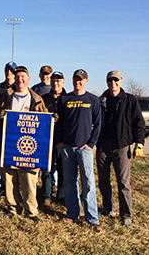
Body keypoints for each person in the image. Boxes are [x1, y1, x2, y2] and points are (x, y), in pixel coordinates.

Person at [0, 66, 47, 223]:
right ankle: (12, 208)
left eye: (23, 76)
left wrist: (50, 121)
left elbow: (44, 124)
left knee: (29, 180)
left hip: (29, 148)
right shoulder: (5, 97)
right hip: (8, 146)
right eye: (17, 77)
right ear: (14, 79)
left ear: (29, 79)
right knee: (9, 179)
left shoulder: (36, 99)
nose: (20, 79)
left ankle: (31, 211)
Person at [56, 69, 103, 232]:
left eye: (81, 79)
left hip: (85, 149)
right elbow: (59, 123)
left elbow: (98, 124)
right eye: (75, 79)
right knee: (70, 181)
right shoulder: (64, 99)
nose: (78, 82)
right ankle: (72, 213)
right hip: (67, 147)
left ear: (86, 81)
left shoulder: (93, 100)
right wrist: (60, 142)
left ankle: (92, 218)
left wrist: (91, 144)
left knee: (88, 182)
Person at [97, 70, 145, 228]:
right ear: (107, 82)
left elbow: (139, 123)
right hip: (103, 146)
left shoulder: (129, 100)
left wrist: (139, 142)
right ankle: (109, 208)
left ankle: (126, 215)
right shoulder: (101, 100)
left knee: (123, 182)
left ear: (121, 81)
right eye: (110, 81)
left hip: (122, 146)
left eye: (116, 80)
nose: (113, 83)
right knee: (103, 180)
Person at [41, 71, 66, 207]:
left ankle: (62, 196)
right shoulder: (43, 99)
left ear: (63, 82)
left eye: (58, 81)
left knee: (63, 169)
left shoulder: (69, 98)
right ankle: (47, 196)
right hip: (47, 139)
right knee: (47, 169)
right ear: (50, 82)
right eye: (53, 81)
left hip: (63, 140)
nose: (55, 83)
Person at [0, 61, 18, 190]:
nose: (9, 73)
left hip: (16, 131)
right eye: (7, 70)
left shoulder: (19, 87)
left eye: (12, 71)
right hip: (1, 129)